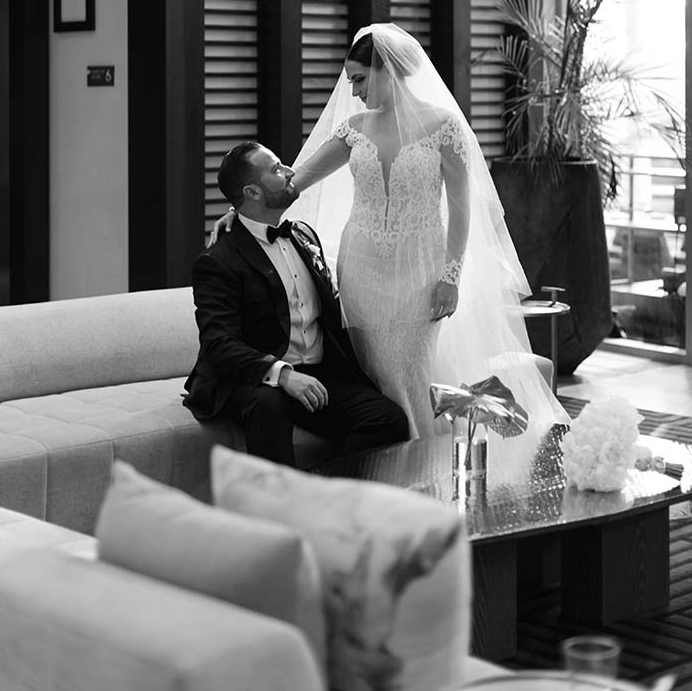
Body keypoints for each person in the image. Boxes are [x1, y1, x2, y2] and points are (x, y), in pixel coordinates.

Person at [210, 23, 569, 439]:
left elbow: (460, 209)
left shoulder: (443, 126)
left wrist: (450, 277)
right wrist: (237, 211)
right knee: (377, 374)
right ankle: (386, 461)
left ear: (388, 70)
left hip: (420, 271)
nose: (355, 91)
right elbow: (295, 180)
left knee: (411, 371)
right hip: (361, 271)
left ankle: (423, 460)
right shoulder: (355, 128)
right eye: (351, 82)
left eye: (360, 79)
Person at [184, 140, 409, 466]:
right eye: (276, 169)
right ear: (252, 192)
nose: (291, 171)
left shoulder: (304, 235)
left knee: (389, 418)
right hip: (252, 378)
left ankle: (326, 492)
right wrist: (283, 374)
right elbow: (218, 343)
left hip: (320, 372)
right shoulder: (218, 260)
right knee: (268, 405)